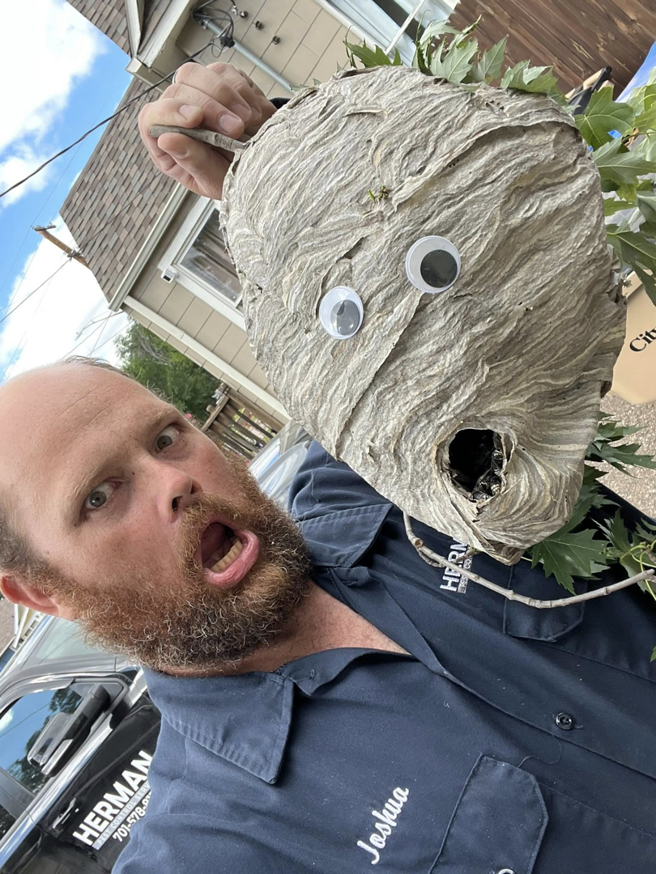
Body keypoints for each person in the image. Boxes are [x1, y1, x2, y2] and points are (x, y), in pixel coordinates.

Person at [0, 62, 655, 873]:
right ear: (41, 591)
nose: (174, 482)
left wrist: (272, 165)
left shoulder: (389, 472)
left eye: (166, 437)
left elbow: (399, 303)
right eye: (100, 497)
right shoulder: (211, 852)